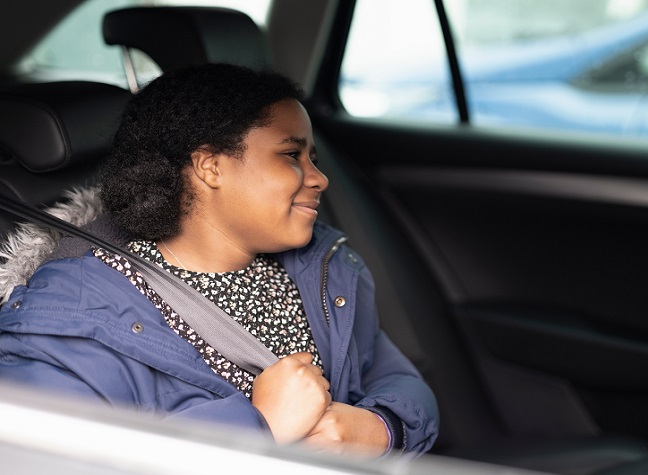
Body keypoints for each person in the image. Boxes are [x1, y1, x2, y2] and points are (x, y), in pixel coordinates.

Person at [0, 63, 439, 457]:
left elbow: (391, 373)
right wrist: (258, 426)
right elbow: (44, 462)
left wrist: (383, 427)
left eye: (314, 158)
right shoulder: (71, 317)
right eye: (291, 155)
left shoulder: (320, 267)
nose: (320, 178)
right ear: (210, 166)